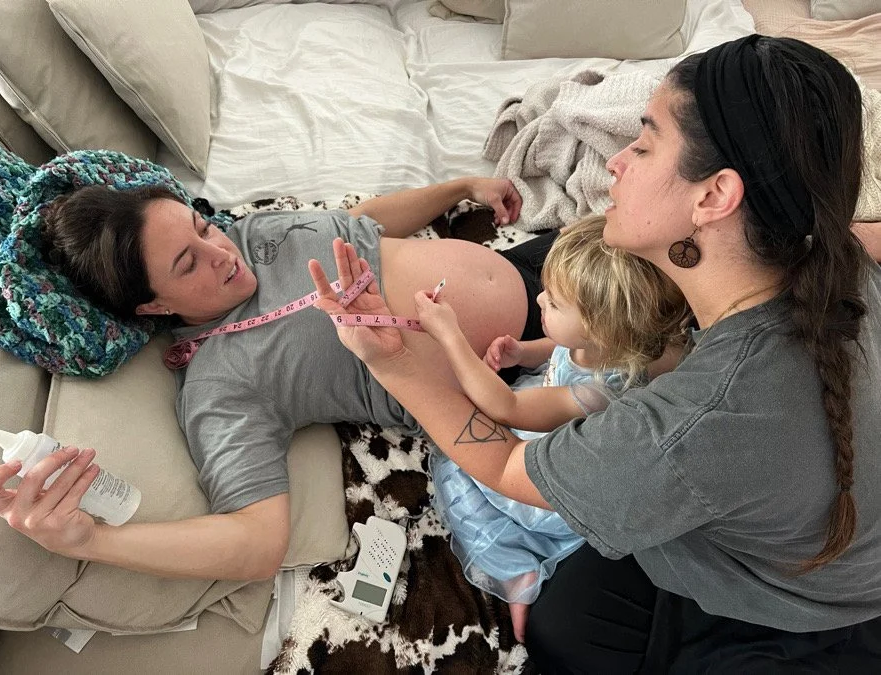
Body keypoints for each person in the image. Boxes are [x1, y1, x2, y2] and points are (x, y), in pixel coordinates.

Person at [310, 35, 881, 671]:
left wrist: (392, 362)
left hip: (802, 610)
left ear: (715, 196)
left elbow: (504, 468)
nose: (615, 163)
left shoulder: (690, 421)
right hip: (836, 548)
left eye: (643, 143)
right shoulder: (838, 256)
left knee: (560, 633)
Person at [0, 176, 553, 581]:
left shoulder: (250, 236)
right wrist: (93, 541)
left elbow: (358, 227)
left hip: (549, 274)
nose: (220, 252)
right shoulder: (219, 384)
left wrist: (457, 189)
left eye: (203, 228)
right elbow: (254, 543)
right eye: (188, 263)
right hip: (531, 377)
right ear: (153, 308)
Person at [417, 215, 688, 643]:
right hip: (547, 422)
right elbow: (565, 345)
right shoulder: (611, 342)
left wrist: (448, 334)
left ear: (600, 328)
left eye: (554, 303)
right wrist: (523, 352)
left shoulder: (598, 393)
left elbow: (505, 407)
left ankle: (516, 573)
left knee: (457, 463)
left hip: (552, 482)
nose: (539, 300)